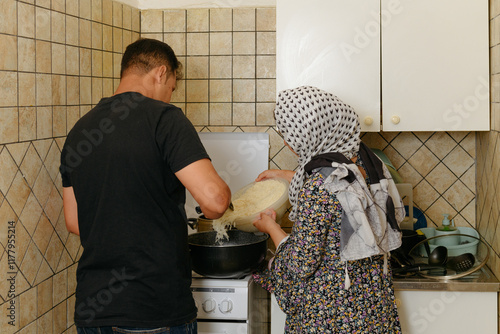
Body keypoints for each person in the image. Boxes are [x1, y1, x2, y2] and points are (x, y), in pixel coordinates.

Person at [60, 38, 231, 334]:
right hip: (155, 309)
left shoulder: (80, 130)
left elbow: (74, 222)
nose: (168, 96)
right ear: (161, 73)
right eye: (172, 88)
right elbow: (215, 202)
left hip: (93, 312)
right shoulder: (165, 119)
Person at [252, 86, 405, 333]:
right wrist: (286, 175)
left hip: (334, 314)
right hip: (373, 306)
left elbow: (302, 262)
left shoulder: (318, 185)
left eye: (289, 133)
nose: (287, 141)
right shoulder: (369, 161)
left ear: (310, 133)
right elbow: (342, 194)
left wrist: (271, 228)